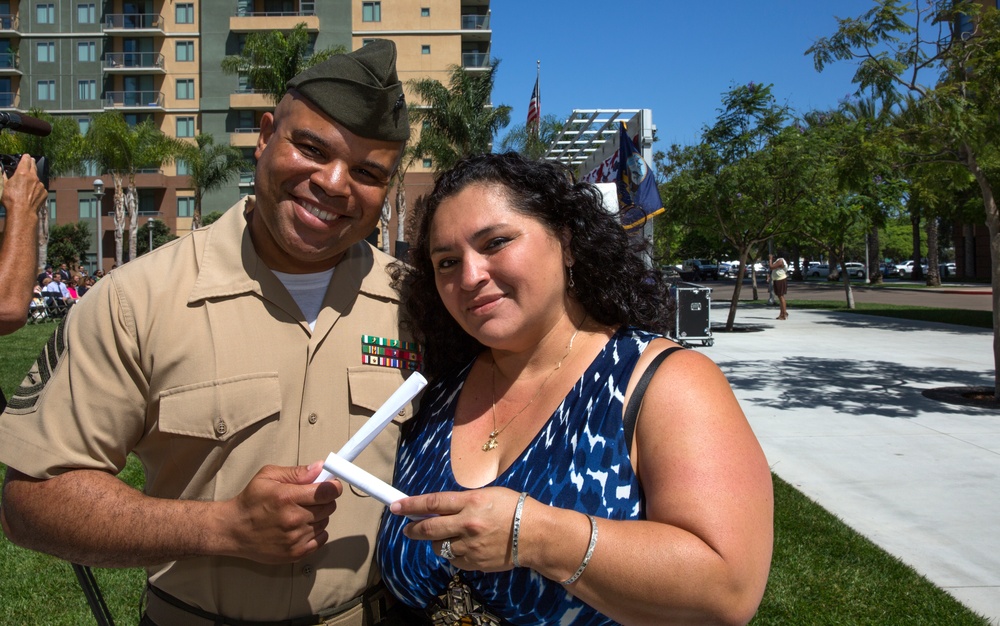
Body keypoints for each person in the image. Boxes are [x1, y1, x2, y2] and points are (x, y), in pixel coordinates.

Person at [0, 40, 417, 626]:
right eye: (311, 147)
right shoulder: (136, 300)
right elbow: (32, 500)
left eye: (369, 172)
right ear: (266, 135)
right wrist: (222, 527)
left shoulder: (421, 305)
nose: (334, 183)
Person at [377, 153, 774, 625]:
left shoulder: (662, 381)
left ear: (565, 241)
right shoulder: (439, 388)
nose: (469, 276)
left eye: (496, 242)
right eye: (446, 262)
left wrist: (538, 536)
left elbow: (728, 591)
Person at [769, 254, 788, 320]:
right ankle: (782, 313)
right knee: (780, 297)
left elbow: (771, 267)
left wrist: (770, 259)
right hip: (777, 279)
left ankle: (783, 314)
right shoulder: (779, 260)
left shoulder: (780, 260)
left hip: (780, 279)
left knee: (781, 296)